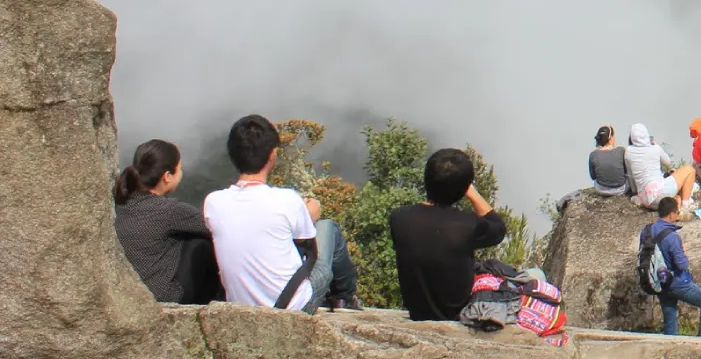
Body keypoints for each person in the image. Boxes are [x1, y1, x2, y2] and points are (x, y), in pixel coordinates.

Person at [204, 115, 360, 313]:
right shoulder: (287, 200)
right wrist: (308, 215)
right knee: (328, 228)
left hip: (240, 307)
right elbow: (309, 248)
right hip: (293, 306)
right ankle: (344, 298)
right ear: (272, 156)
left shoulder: (213, 202)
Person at [388, 148, 512, 322]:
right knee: (535, 275)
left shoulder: (399, 218)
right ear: (464, 189)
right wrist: (472, 193)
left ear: (426, 180)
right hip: (456, 314)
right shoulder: (468, 225)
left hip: (417, 313)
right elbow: (498, 228)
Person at [113, 139, 216, 304]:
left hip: (128, 295)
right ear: (167, 176)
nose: (181, 173)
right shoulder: (170, 210)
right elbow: (216, 228)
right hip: (163, 297)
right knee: (201, 243)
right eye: (179, 169)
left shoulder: (119, 203)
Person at [641, 197, 701, 337]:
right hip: (677, 283)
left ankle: (669, 350)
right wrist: (684, 252)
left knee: (670, 323)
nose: (678, 215)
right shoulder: (672, 237)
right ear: (671, 214)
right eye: (677, 212)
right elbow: (682, 265)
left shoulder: (646, 231)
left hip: (659, 282)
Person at [625, 124, 696, 212]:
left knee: (674, 195)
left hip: (645, 200)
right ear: (646, 136)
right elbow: (668, 163)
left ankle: (676, 201)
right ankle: (686, 204)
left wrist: (635, 192)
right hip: (659, 193)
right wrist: (656, 145)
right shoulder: (655, 149)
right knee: (690, 170)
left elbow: (631, 176)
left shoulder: (628, 152)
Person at [588, 126, 633, 197]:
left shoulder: (593, 155)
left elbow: (593, 177)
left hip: (601, 190)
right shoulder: (621, 150)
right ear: (611, 138)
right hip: (620, 189)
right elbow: (626, 171)